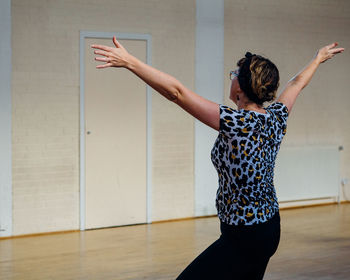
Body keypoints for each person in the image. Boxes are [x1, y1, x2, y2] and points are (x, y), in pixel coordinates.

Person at [91, 39, 344, 279]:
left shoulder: (236, 122)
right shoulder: (276, 117)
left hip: (245, 235)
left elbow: (177, 93)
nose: (231, 77)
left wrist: (130, 62)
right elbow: (296, 83)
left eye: (234, 74)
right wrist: (318, 58)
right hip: (267, 227)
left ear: (242, 87)